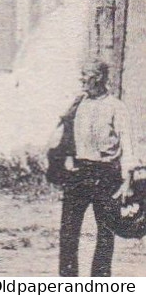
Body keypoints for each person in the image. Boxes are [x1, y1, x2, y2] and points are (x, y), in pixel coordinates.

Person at [50, 60, 134, 277]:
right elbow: (63, 136)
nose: (81, 79)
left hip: (107, 175)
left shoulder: (116, 107)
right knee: (68, 230)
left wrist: (127, 182)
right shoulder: (77, 104)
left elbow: (127, 145)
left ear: (98, 78)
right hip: (79, 172)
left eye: (85, 75)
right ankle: (67, 282)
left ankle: (100, 282)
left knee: (106, 232)